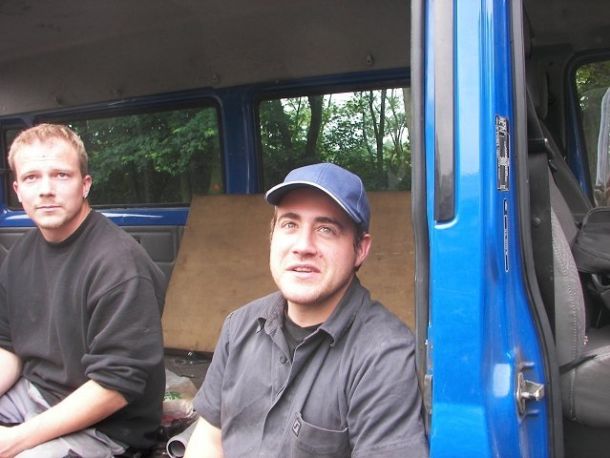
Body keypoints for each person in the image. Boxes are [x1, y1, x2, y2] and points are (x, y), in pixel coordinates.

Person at [185, 162, 428, 457]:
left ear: (360, 249)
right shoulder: (239, 326)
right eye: (290, 224)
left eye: (326, 229)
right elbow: (210, 438)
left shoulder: (384, 355)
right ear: (272, 234)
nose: (303, 246)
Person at [0, 124, 166, 457]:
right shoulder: (19, 255)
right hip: (34, 393)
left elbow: (114, 386)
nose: (46, 190)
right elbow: (8, 347)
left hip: (107, 426)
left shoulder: (120, 265)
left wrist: (13, 441)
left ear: (85, 184)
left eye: (61, 175)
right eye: (31, 178)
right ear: (18, 190)